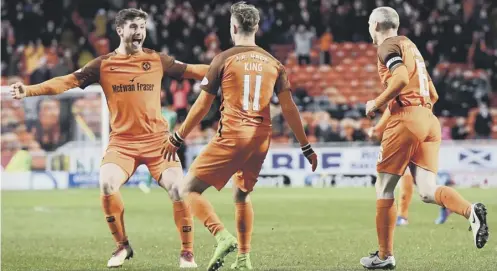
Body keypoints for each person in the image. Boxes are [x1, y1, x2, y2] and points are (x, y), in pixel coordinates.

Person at [10, 8, 209, 269]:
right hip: (122, 143)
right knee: (106, 184)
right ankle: (123, 246)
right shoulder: (103, 64)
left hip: (157, 142)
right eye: (133, 27)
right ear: (119, 30)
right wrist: (29, 89)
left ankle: (187, 253)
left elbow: (195, 70)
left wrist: (228, 68)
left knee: (177, 188)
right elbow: (66, 82)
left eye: (142, 27)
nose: (139, 32)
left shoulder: (157, 60)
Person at [163, 2, 318, 270]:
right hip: (260, 139)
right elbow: (289, 108)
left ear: (233, 27)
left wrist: (178, 136)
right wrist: (305, 146)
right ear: (256, 27)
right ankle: (244, 258)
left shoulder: (223, 58)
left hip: (234, 134)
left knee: (185, 189)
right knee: (242, 195)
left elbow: (202, 105)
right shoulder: (274, 63)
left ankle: (221, 236)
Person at [361, 7, 489, 269]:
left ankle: (384, 257)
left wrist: (376, 102)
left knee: (384, 188)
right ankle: (470, 211)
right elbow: (432, 92)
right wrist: (385, 121)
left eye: (369, 25)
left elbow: (399, 79)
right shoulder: (412, 48)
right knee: (428, 191)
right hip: (429, 120)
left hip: (408, 120)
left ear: (375, 24)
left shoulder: (387, 47)